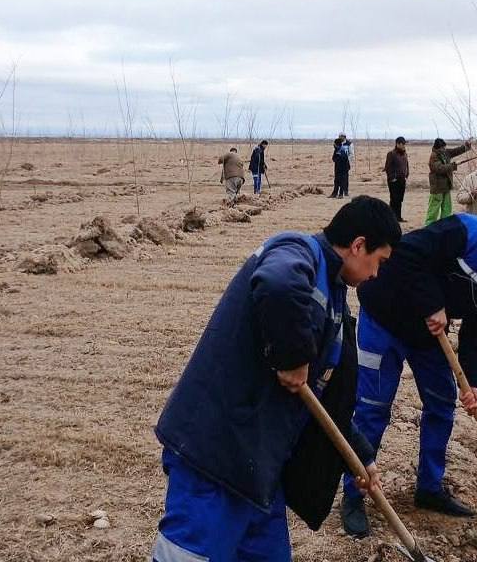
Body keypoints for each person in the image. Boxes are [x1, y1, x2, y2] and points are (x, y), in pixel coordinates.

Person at [153, 197, 402, 562]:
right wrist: (294, 356)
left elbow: (321, 399)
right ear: (358, 245)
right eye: (378, 262)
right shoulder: (297, 250)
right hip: (216, 458)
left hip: (259, 469)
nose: (375, 275)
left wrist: (360, 455)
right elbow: (276, 283)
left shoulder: (334, 295)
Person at [340, 213, 477, 537]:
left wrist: (474, 382)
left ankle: (429, 489)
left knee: (442, 405)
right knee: (373, 409)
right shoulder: (467, 232)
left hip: (429, 336)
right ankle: (353, 496)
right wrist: (432, 303)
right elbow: (405, 254)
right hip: (383, 316)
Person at [426, 137, 473, 226]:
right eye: (443, 148)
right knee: (433, 210)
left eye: (444, 148)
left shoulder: (444, 153)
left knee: (447, 208)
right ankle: (428, 227)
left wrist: (465, 146)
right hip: (437, 187)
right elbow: (439, 169)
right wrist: (453, 165)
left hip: (446, 186)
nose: (444, 149)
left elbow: (455, 151)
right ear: (438, 148)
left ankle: (444, 226)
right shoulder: (434, 156)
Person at [383, 136, 409, 222]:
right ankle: (392, 218)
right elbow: (388, 167)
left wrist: (406, 174)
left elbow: (406, 165)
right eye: (403, 144)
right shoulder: (391, 154)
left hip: (402, 180)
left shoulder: (405, 154)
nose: (404, 145)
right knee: (394, 199)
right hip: (394, 180)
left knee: (400, 199)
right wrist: (392, 178)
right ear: (398, 144)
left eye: (404, 144)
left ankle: (398, 217)